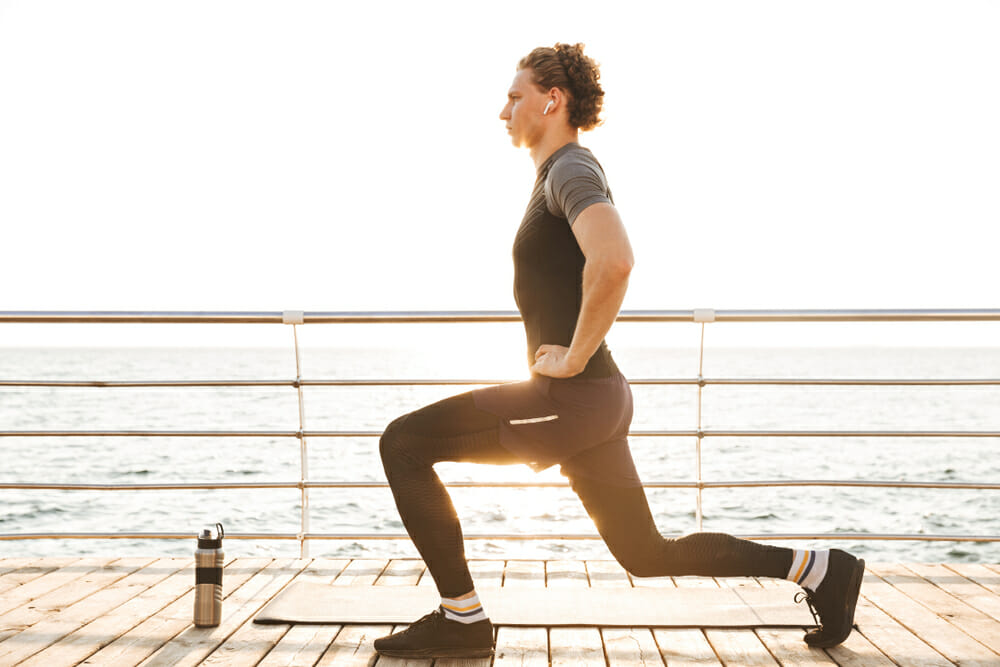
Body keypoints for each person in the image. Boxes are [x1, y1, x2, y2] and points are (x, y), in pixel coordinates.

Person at [374, 43, 865, 660]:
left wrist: (574, 357)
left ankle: (463, 621)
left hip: (572, 396)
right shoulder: (558, 175)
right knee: (645, 553)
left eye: (514, 96)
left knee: (405, 442)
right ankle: (821, 570)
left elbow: (616, 259)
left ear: (553, 101)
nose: (503, 111)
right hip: (595, 400)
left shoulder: (570, 171)